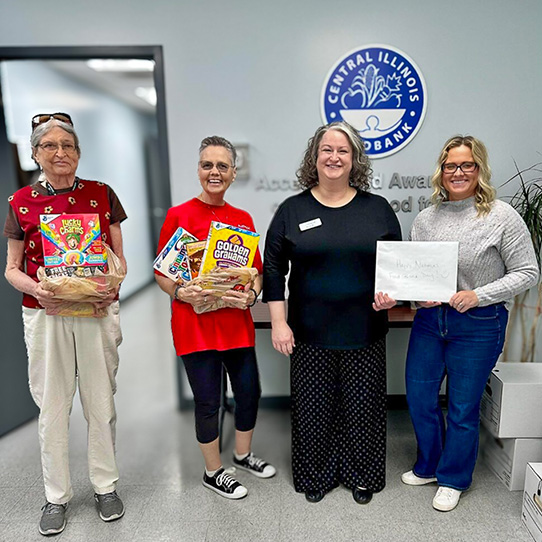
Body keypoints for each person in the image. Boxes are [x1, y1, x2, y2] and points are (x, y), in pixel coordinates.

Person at [398, 135, 539, 512]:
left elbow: (528, 272)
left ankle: (454, 477)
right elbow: (416, 275)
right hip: (430, 321)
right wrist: (417, 297)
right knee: (421, 398)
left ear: (479, 170)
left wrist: (479, 295)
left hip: (479, 322)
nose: (457, 172)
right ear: (441, 173)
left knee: (462, 407)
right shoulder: (426, 219)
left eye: (466, 165)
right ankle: (429, 465)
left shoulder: (501, 216)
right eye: (450, 166)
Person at [263, 121, 401, 504]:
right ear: (315, 156)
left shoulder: (378, 209)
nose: (334, 157)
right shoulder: (293, 209)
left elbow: (395, 267)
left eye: (343, 150)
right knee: (313, 411)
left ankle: (362, 476)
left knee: (364, 410)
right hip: (308, 332)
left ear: (354, 159)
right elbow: (273, 267)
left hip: (364, 328)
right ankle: (316, 477)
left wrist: (392, 295)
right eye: (327, 149)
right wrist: (278, 322)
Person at [4, 113, 128, 536]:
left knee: (100, 403)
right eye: (50, 146)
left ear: (79, 152)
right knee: (52, 407)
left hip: (94, 312)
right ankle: (56, 495)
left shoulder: (101, 194)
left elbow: (119, 259)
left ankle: (105, 486)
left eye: (69, 145)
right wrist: (38, 290)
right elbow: (12, 269)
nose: (61, 153)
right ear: (36, 153)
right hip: (45, 313)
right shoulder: (21, 201)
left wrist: (108, 284)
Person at [155, 135, 276, 500]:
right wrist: (179, 291)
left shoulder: (242, 219)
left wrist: (253, 292)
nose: (214, 172)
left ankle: (241, 455)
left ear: (233, 173)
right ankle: (213, 472)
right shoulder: (179, 215)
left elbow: (255, 271)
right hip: (195, 327)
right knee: (209, 401)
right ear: (198, 170)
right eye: (208, 164)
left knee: (250, 393)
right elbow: (162, 273)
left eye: (222, 166)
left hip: (235, 325)